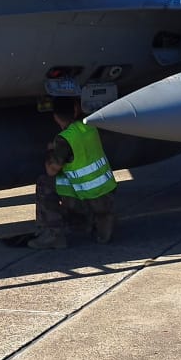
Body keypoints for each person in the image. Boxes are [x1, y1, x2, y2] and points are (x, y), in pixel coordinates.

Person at [30, 93, 117, 249]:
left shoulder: (64, 139)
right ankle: (101, 221)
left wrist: (51, 151)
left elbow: (51, 170)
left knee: (45, 182)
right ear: (76, 110)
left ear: (56, 117)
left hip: (84, 197)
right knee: (73, 173)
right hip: (105, 193)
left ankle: (53, 235)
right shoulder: (90, 126)